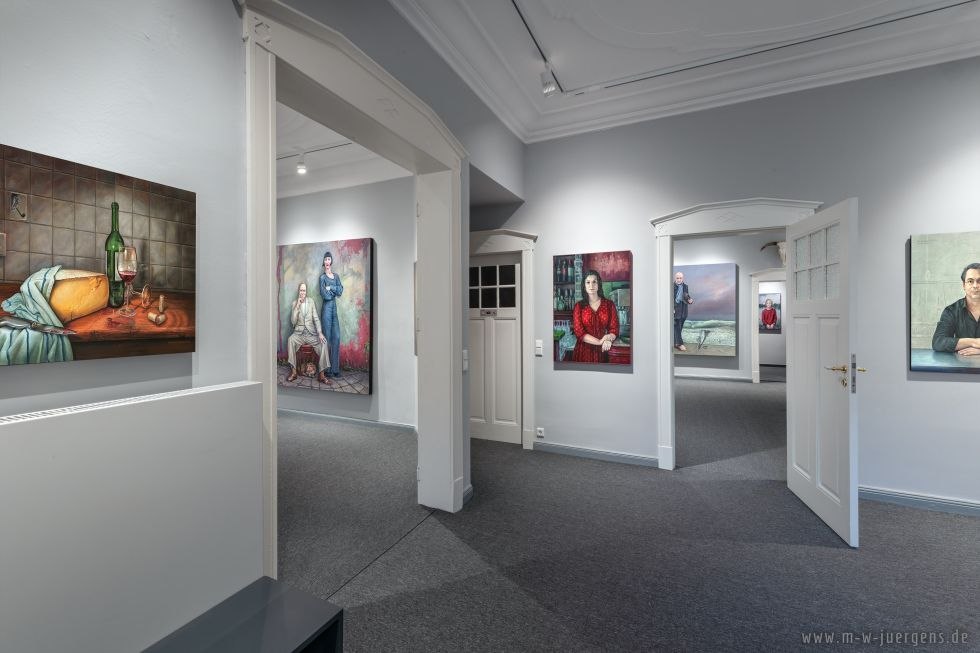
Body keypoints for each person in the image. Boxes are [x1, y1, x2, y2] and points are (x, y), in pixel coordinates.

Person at [932, 263, 980, 356]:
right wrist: (973, 342)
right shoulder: (951, 311)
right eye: (970, 281)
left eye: (979, 281)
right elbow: (938, 342)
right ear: (963, 285)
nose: (975, 286)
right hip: (960, 366)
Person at [571, 269, 619, 363]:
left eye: (594, 282)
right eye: (588, 282)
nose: (591, 285)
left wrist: (609, 338)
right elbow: (579, 332)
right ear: (584, 286)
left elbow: (615, 329)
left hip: (603, 350)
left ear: (599, 284)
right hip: (583, 351)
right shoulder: (579, 306)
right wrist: (600, 342)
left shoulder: (609, 304)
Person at [286, 282, 330, 384]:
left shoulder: (311, 302)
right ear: (299, 291)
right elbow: (292, 321)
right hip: (299, 333)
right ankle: (294, 372)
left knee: (324, 342)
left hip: (311, 333)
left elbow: (316, 319)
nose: (302, 292)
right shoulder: (294, 303)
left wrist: (319, 332)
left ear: (306, 292)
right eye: (301, 290)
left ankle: (321, 375)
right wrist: (297, 305)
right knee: (290, 340)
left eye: (304, 290)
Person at [319, 251, 344, 377]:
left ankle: (335, 369)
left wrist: (332, 288)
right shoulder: (322, 278)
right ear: (323, 262)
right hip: (326, 309)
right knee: (327, 338)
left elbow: (340, 291)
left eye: (329, 259)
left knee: (337, 337)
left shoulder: (336, 276)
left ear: (331, 261)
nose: (327, 261)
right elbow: (324, 295)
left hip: (334, 310)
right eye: (325, 259)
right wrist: (331, 291)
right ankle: (327, 369)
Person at [673, 271, 694, 351]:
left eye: (680, 278)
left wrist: (690, 300)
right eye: (677, 278)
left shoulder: (685, 286)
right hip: (675, 308)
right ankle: (680, 344)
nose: (679, 279)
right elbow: (670, 298)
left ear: (682, 278)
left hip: (683, 308)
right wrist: (672, 308)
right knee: (677, 326)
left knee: (680, 327)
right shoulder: (671, 286)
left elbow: (687, 296)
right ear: (675, 278)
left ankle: (675, 342)